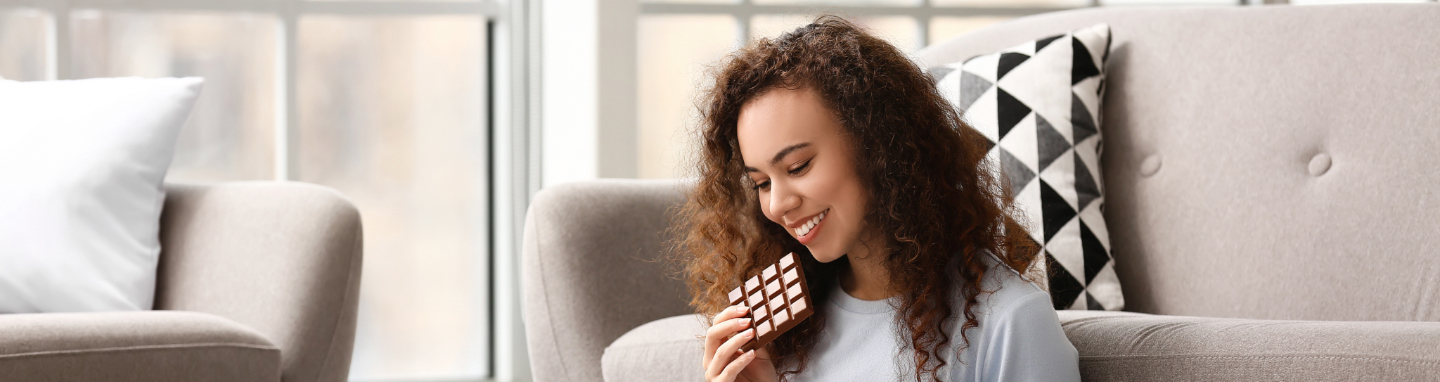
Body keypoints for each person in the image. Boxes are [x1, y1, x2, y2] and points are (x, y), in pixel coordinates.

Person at [675, 16, 1082, 382]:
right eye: (762, 183)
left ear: (878, 146)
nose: (778, 204)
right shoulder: (786, 338)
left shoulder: (1011, 323)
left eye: (798, 167)